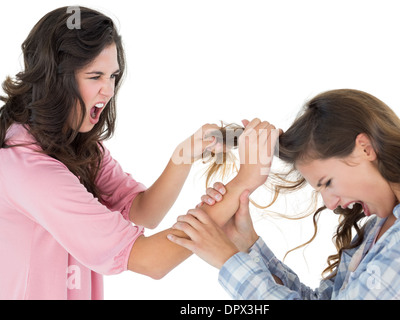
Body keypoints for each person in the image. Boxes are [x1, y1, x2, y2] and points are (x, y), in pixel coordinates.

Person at [0, 6, 281, 299]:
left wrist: (183, 156)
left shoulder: (75, 146)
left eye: (113, 76)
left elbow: (145, 212)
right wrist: (244, 182)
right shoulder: (29, 170)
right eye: (95, 76)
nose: (108, 91)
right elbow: (151, 260)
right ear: (53, 79)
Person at [168, 89, 400, 299]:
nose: (330, 204)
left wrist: (229, 260)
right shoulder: (387, 226)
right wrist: (246, 245)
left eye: (326, 182)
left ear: (365, 148)